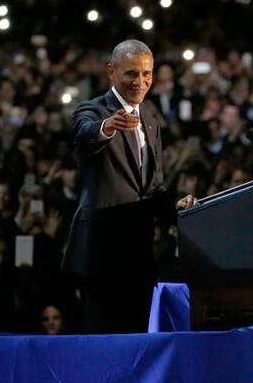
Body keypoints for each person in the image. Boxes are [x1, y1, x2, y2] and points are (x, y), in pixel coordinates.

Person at [61, 40, 194, 333]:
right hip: (101, 256)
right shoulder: (92, 111)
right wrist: (107, 127)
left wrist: (175, 207)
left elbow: (152, 189)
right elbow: (86, 135)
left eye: (147, 74)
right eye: (131, 73)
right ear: (111, 71)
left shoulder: (151, 121)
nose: (140, 81)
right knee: (101, 342)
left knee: (135, 340)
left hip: (139, 256)